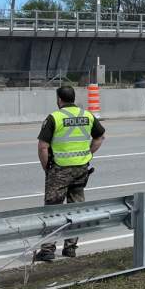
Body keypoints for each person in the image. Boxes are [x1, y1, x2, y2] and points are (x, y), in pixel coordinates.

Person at [35, 86, 106, 262]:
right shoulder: (87, 115)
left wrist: (47, 167)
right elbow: (100, 137)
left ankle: (48, 249)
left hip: (59, 169)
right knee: (76, 208)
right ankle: (70, 248)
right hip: (81, 169)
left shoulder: (55, 117)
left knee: (53, 209)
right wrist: (88, 154)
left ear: (59, 99)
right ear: (73, 98)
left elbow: (43, 146)